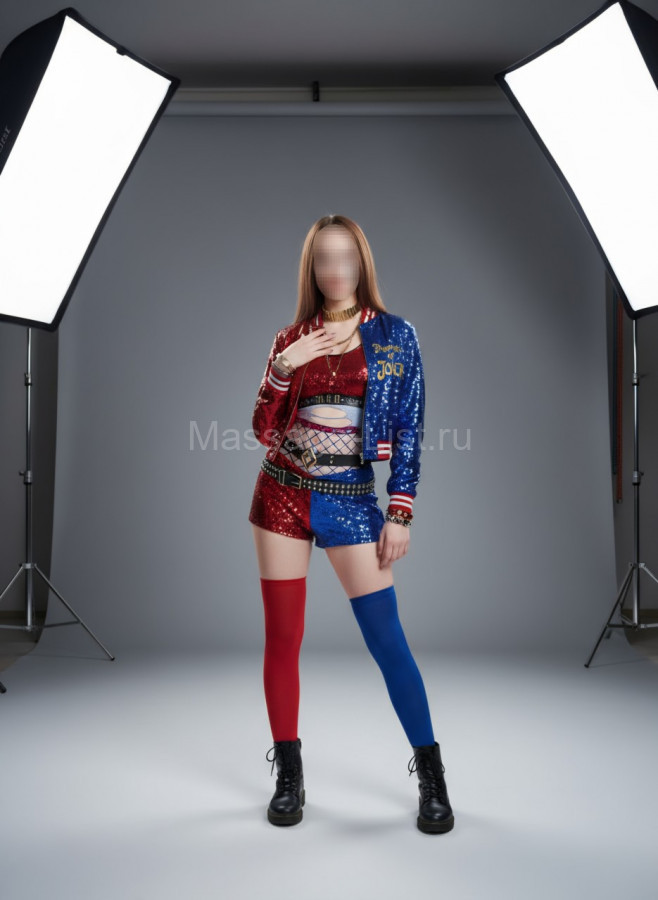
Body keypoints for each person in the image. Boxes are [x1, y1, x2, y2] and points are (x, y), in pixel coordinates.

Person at [249, 214, 453, 834]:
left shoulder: (394, 334)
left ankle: (433, 775)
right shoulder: (291, 337)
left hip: (349, 498)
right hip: (282, 494)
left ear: (362, 264)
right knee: (283, 638)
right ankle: (289, 775)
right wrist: (284, 367)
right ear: (311, 269)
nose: (335, 271)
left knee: (387, 640)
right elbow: (262, 430)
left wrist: (400, 510)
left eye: (346, 259)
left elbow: (410, 427)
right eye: (323, 260)